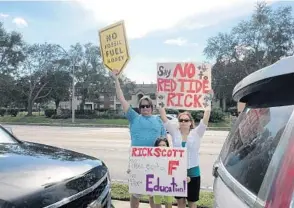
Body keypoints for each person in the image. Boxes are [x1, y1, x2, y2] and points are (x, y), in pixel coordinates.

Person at [112, 70, 167, 208]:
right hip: (138, 162)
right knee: (136, 194)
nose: (145, 108)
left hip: (155, 162)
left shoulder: (158, 121)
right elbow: (122, 99)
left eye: (148, 106)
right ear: (139, 108)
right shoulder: (134, 118)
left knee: (154, 194)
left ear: (152, 108)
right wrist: (116, 79)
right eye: (142, 106)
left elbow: (165, 143)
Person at [158, 90, 213, 208]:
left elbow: (206, 115)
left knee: (192, 202)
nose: (183, 122)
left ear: (190, 122)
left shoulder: (197, 133)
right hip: (178, 171)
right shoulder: (174, 133)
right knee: (180, 202)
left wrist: (208, 99)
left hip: (193, 172)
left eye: (186, 120)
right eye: (181, 120)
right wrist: (161, 99)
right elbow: (163, 116)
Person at [153, 137, 174, 208]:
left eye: (163, 145)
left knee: (168, 203)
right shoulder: (151, 157)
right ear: (156, 147)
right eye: (160, 145)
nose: (161, 147)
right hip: (156, 183)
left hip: (168, 182)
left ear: (167, 146)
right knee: (157, 203)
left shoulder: (172, 157)